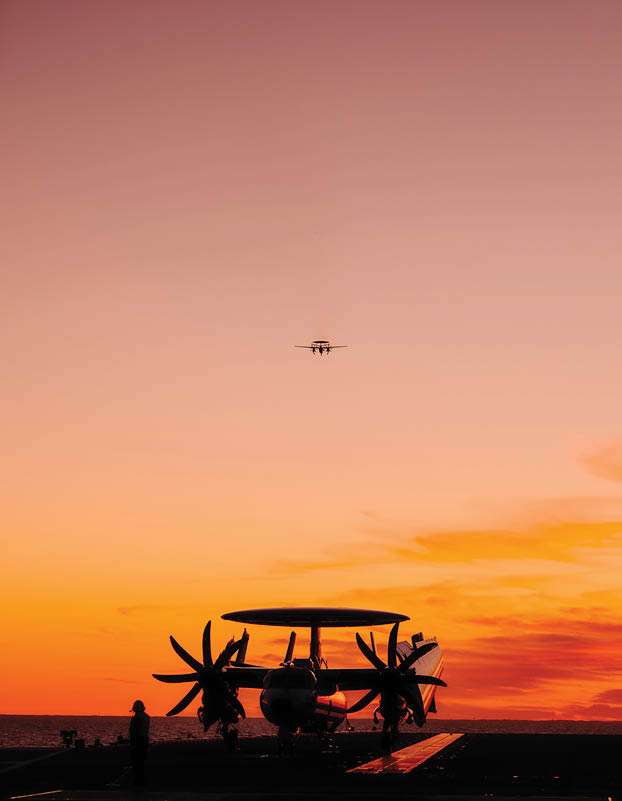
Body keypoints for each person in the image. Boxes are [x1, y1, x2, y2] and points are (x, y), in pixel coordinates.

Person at [129, 700, 150, 786]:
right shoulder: (146, 717)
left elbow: (134, 731)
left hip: (138, 741)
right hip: (145, 740)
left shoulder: (137, 718)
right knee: (142, 762)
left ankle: (137, 782)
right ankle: (141, 781)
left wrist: (133, 743)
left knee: (136, 762)